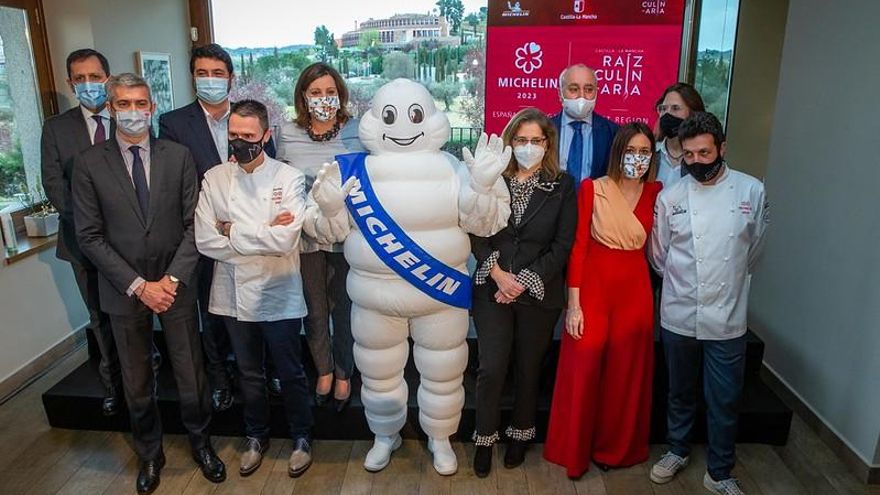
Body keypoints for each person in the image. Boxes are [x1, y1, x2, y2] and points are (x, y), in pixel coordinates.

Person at [307, 78, 511, 475]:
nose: (403, 125)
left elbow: (483, 222)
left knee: (444, 372)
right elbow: (326, 233)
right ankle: (385, 435)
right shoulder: (352, 171)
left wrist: (483, 186)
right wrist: (329, 209)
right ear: (373, 120)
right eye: (390, 116)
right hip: (373, 298)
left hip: (439, 298)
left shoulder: (454, 168)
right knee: (378, 372)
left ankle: (440, 437)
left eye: (414, 115)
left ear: (431, 118)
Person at [73, 73, 225, 494]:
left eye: (141, 103)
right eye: (124, 103)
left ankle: (202, 444)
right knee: (137, 378)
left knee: (190, 371)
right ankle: (150, 454)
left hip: (175, 285)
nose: (134, 111)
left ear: (152, 107)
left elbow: (196, 225)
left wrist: (171, 279)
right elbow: (88, 235)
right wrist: (140, 285)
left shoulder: (177, 156)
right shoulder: (89, 163)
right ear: (111, 107)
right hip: (124, 290)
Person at [648, 112, 769, 495]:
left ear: (722, 148)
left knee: (725, 399)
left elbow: (755, 252)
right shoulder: (671, 197)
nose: (697, 161)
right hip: (679, 312)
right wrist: (687, 287)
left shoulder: (751, 191)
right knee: (680, 391)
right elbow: (659, 256)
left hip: (728, 316)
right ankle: (678, 450)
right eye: (689, 155)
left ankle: (719, 471)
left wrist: (727, 284)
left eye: (704, 152)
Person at [195, 100, 314, 478]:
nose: (240, 142)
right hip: (232, 295)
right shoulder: (214, 178)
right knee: (248, 372)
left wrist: (230, 229)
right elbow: (203, 240)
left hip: (278, 290)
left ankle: (301, 437)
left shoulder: (288, 177)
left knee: (290, 371)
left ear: (265, 135)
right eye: (234, 136)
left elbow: (285, 241)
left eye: (248, 136)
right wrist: (262, 233)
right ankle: (255, 437)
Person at [159, 43, 278, 411]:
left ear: (231, 77)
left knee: (259, 307)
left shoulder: (247, 117)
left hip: (253, 234)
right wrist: (215, 218)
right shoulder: (174, 124)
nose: (210, 80)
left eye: (218, 73)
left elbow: (269, 168)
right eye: (202, 73)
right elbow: (176, 182)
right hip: (206, 233)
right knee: (212, 312)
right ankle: (220, 379)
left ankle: (265, 371)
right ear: (192, 76)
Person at [544, 122, 662, 478]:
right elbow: (578, 248)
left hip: (635, 289)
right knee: (585, 363)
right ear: (617, 153)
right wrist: (573, 305)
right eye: (631, 151)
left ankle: (616, 449)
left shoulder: (659, 192)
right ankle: (574, 450)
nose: (637, 159)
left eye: (644, 152)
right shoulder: (593, 189)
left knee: (626, 371)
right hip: (593, 286)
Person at [469, 108, 577, 477]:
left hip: (539, 293)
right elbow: (476, 229)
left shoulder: (562, 185)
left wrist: (523, 281)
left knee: (529, 369)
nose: (528, 147)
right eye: (521, 140)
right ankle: (485, 437)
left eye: (536, 141)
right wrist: (500, 276)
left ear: (546, 144)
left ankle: (520, 434)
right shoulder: (491, 178)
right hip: (492, 287)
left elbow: (562, 245)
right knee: (492, 367)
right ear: (509, 141)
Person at [276, 62, 366, 411]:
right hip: (307, 237)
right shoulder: (287, 134)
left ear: (340, 95)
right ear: (303, 97)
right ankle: (324, 371)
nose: (324, 99)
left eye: (330, 92)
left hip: (348, 237)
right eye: (316, 93)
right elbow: (281, 182)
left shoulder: (358, 131)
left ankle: (344, 373)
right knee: (315, 309)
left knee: (344, 308)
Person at [40, 48, 123, 416]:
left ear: (108, 77)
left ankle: (148, 368)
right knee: (99, 314)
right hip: (82, 242)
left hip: (130, 241)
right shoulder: (57, 129)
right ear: (69, 83)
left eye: (95, 76)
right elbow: (55, 186)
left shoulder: (128, 118)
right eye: (80, 78)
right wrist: (93, 231)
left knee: (135, 311)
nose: (89, 84)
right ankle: (113, 383)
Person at [550, 64, 619, 183]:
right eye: (573, 89)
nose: (582, 96)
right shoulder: (545, 129)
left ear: (596, 93)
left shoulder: (613, 133)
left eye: (589, 89)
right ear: (560, 93)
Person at [654, 83, 706, 188]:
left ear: (692, 114)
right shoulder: (651, 153)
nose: (667, 114)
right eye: (663, 109)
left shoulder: (703, 157)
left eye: (675, 108)